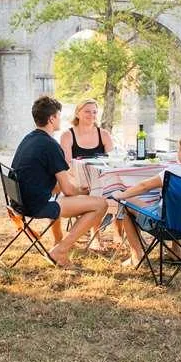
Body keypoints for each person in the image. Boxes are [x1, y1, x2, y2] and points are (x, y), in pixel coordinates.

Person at [10, 95, 107, 268]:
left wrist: (76, 193)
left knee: (81, 199)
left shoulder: (29, 138)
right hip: (36, 206)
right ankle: (60, 250)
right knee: (101, 205)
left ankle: (61, 243)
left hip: (18, 202)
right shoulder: (50, 145)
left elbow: (44, 180)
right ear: (51, 119)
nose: (60, 119)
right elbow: (68, 190)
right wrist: (82, 192)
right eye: (58, 116)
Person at [110, 131, 181, 266]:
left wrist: (120, 195)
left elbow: (144, 186)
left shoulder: (173, 172)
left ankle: (136, 256)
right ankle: (176, 252)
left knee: (126, 203)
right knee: (177, 205)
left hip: (167, 228)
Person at [59, 99, 117, 250]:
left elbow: (113, 161)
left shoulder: (104, 134)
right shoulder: (67, 135)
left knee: (119, 188)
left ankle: (119, 235)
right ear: (78, 113)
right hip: (76, 181)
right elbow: (66, 165)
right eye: (87, 111)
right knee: (94, 190)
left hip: (101, 179)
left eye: (94, 112)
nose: (91, 115)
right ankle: (95, 235)